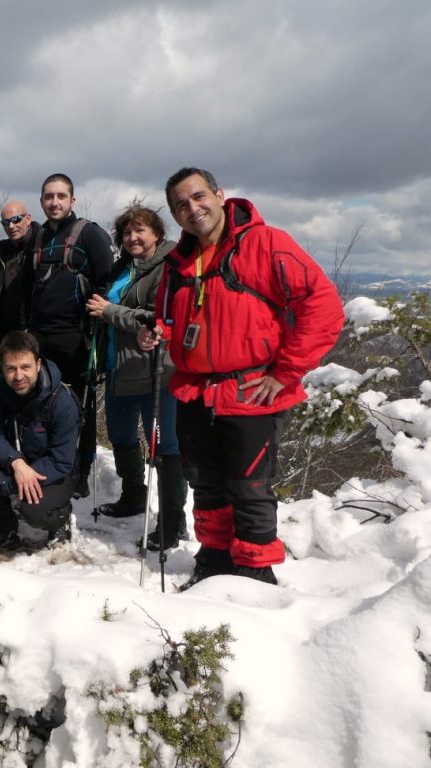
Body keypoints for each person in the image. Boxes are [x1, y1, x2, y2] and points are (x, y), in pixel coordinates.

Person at [138, 167, 344, 587]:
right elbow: (172, 319)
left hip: (250, 390)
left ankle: (254, 575)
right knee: (206, 486)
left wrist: (284, 372)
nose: (193, 208)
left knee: (248, 488)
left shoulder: (265, 244)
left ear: (219, 195)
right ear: (175, 215)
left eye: (199, 196)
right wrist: (158, 332)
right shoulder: (179, 262)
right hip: (195, 392)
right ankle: (213, 562)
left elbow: (323, 307)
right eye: (181, 204)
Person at [86, 203, 186, 549]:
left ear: (157, 233)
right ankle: (133, 497)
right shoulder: (121, 269)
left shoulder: (170, 267)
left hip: (157, 371)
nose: (133, 237)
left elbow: (161, 315)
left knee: (166, 447)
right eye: (127, 232)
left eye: (140, 230)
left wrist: (110, 311)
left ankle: (172, 521)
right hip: (119, 368)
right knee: (121, 437)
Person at [26, 173, 115, 497]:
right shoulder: (38, 238)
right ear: (41, 201)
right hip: (41, 337)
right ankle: (47, 464)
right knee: (40, 403)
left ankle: (80, 472)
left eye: (61, 196)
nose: (55, 202)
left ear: (72, 200)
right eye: (49, 196)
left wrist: (99, 315)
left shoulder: (89, 234)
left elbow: (108, 279)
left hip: (77, 338)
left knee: (80, 408)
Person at [0, 330, 81, 555]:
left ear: (38, 364)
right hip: (17, 459)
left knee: (34, 510)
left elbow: (61, 461)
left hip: (54, 471)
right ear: (2, 368)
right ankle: (3, 528)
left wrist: (6, 484)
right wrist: (16, 462)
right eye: (11, 368)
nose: (18, 376)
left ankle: (60, 519)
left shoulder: (62, 401)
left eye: (25, 367)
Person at [0, 200, 39, 368]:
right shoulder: (4, 252)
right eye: (5, 222)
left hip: (34, 334)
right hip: (8, 335)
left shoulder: (42, 245)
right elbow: (0, 299)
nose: (11, 226)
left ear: (28, 218)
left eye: (16, 219)